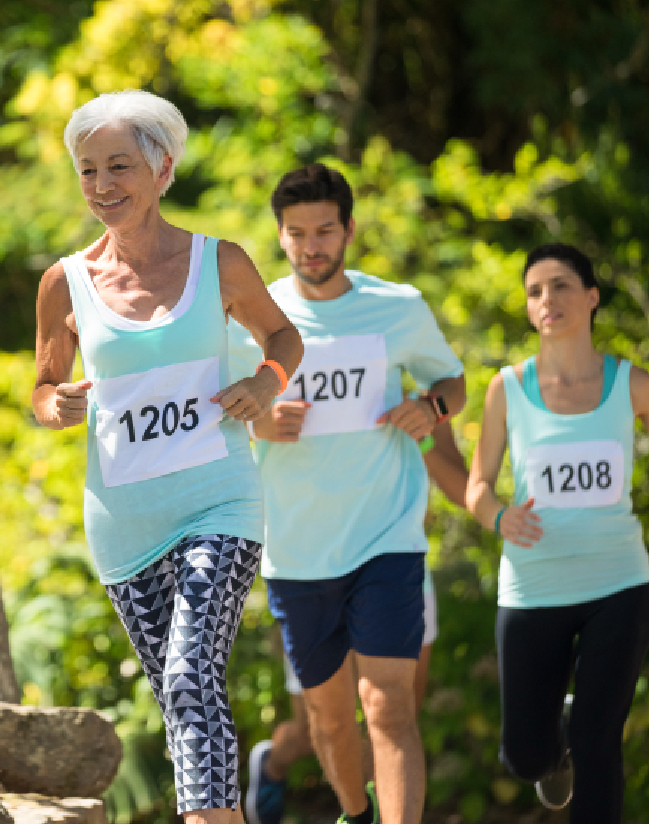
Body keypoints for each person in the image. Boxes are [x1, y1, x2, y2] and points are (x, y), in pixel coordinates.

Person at [32, 90, 303, 824]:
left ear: (162, 169)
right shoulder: (64, 282)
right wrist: (56, 406)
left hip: (220, 501)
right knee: (184, 699)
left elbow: (284, 338)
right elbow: (44, 387)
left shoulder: (220, 262)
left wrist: (263, 382)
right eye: (88, 170)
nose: (102, 184)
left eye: (119, 165)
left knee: (188, 674)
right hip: (125, 522)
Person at [228, 163, 466, 824]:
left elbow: (451, 381)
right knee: (329, 721)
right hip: (298, 550)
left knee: (388, 704)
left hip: (386, 536)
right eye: (298, 233)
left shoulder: (397, 306)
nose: (312, 246)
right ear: (280, 236)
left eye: (325, 231)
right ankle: (355, 813)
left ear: (349, 230)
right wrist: (258, 422)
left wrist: (431, 408)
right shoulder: (251, 321)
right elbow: (217, 415)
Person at [465, 242, 649, 824]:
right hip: (533, 587)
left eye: (561, 285)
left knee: (600, 742)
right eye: (535, 291)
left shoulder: (633, 384)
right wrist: (500, 517)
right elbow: (477, 486)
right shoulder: (507, 388)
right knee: (525, 757)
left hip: (618, 582)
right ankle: (553, 746)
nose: (548, 299)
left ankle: (581, 735)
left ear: (591, 297)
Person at [245, 422, 469, 824]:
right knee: (319, 729)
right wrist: (261, 419)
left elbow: (466, 488)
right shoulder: (275, 380)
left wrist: (423, 424)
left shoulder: (410, 382)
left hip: (395, 566)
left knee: (391, 717)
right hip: (307, 570)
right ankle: (274, 764)